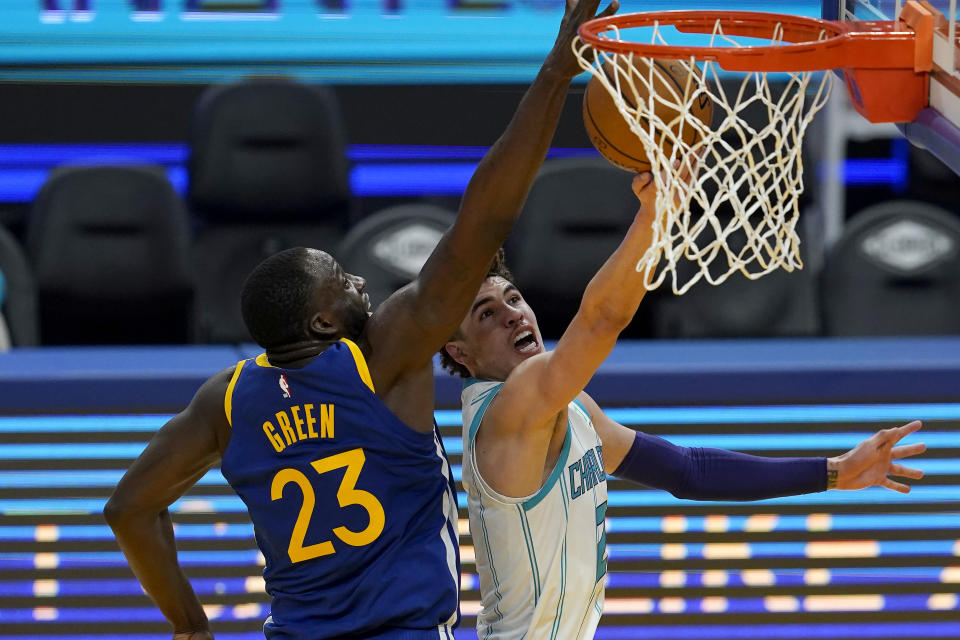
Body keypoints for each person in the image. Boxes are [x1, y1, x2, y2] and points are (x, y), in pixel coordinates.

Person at [102, 1, 620, 638]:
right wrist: (552, 77)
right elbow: (484, 221)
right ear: (322, 324)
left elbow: (129, 509)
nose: (361, 283)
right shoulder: (381, 357)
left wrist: (190, 627)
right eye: (342, 281)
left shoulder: (228, 399)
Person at [439, 172, 927, 640]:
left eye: (513, 298)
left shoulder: (572, 407)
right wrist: (653, 216)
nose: (511, 316)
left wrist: (835, 472)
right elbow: (602, 318)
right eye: (486, 314)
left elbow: (689, 472)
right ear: (461, 354)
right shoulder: (508, 410)